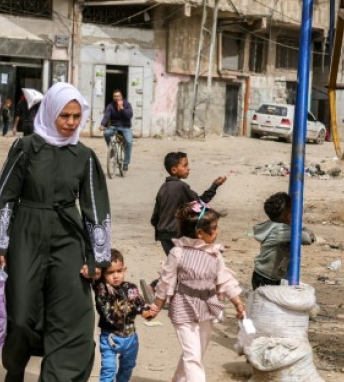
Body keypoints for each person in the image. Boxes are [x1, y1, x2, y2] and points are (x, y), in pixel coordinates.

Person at [0, 82, 112, 382]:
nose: (71, 122)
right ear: (50, 112)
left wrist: (97, 258)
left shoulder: (84, 156)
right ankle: (15, 369)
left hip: (68, 238)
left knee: (72, 313)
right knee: (21, 315)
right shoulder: (26, 148)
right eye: (65, 115)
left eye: (76, 116)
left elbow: (96, 208)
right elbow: (4, 194)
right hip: (26, 234)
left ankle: (56, 377)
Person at [147, 201, 246, 382]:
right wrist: (155, 307)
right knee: (192, 354)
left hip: (207, 306)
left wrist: (238, 302)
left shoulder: (215, 254)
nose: (218, 232)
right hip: (183, 306)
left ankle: (178, 379)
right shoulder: (178, 253)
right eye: (214, 228)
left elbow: (225, 280)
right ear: (200, 233)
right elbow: (165, 282)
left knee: (197, 351)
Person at [93, 249, 153, 382]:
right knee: (109, 369)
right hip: (110, 338)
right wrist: (137, 309)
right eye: (110, 272)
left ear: (124, 269)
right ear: (102, 274)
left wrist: (148, 311)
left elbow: (140, 304)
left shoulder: (130, 288)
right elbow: (111, 313)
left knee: (128, 366)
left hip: (130, 338)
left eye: (119, 271)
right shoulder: (102, 290)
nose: (116, 276)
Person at [152, 152, 227, 255]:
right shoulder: (181, 186)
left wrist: (160, 230)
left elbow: (155, 218)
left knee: (175, 260)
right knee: (188, 259)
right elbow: (200, 202)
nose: (188, 168)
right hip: (177, 234)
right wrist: (214, 186)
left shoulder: (163, 188)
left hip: (163, 235)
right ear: (174, 170)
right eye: (185, 165)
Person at [251, 192, 317, 289]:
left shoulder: (273, 225)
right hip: (267, 278)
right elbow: (307, 239)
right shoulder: (281, 231)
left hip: (262, 275)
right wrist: (306, 230)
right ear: (289, 216)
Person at [100, 89, 134, 172]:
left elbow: (129, 115)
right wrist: (102, 124)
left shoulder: (127, 104)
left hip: (125, 127)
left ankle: (125, 163)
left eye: (118, 96)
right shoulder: (110, 106)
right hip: (114, 127)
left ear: (121, 96)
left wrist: (122, 108)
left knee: (129, 142)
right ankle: (111, 150)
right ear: (113, 97)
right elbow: (106, 116)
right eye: (115, 96)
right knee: (106, 133)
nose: (117, 98)